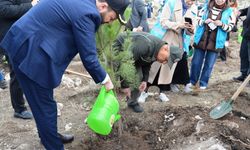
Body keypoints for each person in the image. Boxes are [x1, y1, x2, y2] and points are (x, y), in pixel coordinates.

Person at [0, 0, 129, 149]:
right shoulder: (89, 13)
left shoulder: (83, 4)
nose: (108, 22)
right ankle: (53, 144)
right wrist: (105, 80)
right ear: (103, 6)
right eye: (112, 17)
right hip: (30, 52)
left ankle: (49, 136)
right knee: (45, 106)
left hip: (27, 41)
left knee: (45, 103)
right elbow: (88, 57)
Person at [140, 0, 196, 103]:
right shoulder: (171, 3)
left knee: (168, 68)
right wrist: (179, 25)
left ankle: (162, 92)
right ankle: (144, 92)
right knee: (154, 65)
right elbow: (163, 22)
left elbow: (189, 32)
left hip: (178, 41)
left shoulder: (192, 9)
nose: (191, 2)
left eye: (194, 0)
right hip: (164, 37)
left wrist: (191, 29)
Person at [113, 32, 183, 112]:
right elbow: (126, 62)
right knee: (114, 75)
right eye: (166, 59)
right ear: (165, 49)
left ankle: (132, 102)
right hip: (118, 48)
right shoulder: (145, 45)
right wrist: (125, 86)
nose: (164, 63)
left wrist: (144, 80)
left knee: (139, 77)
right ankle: (112, 103)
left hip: (133, 56)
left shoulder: (157, 49)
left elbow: (147, 63)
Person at [0, 0, 39, 119]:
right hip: (11, 36)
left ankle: (33, 102)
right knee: (17, 73)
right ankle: (19, 108)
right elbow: (3, 9)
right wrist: (31, 5)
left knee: (31, 70)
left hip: (26, 34)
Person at [190, 0, 235, 90]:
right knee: (196, 62)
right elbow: (196, 20)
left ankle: (203, 84)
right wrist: (204, 21)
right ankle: (192, 82)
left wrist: (222, 24)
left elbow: (231, 27)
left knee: (209, 64)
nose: (220, 0)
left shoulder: (229, 11)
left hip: (216, 42)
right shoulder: (205, 7)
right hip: (202, 39)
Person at [233, 6, 250, 82]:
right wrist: (240, 12)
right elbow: (244, 10)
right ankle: (244, 74)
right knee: (243, 54)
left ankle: (248, 79)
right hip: (246, 35)